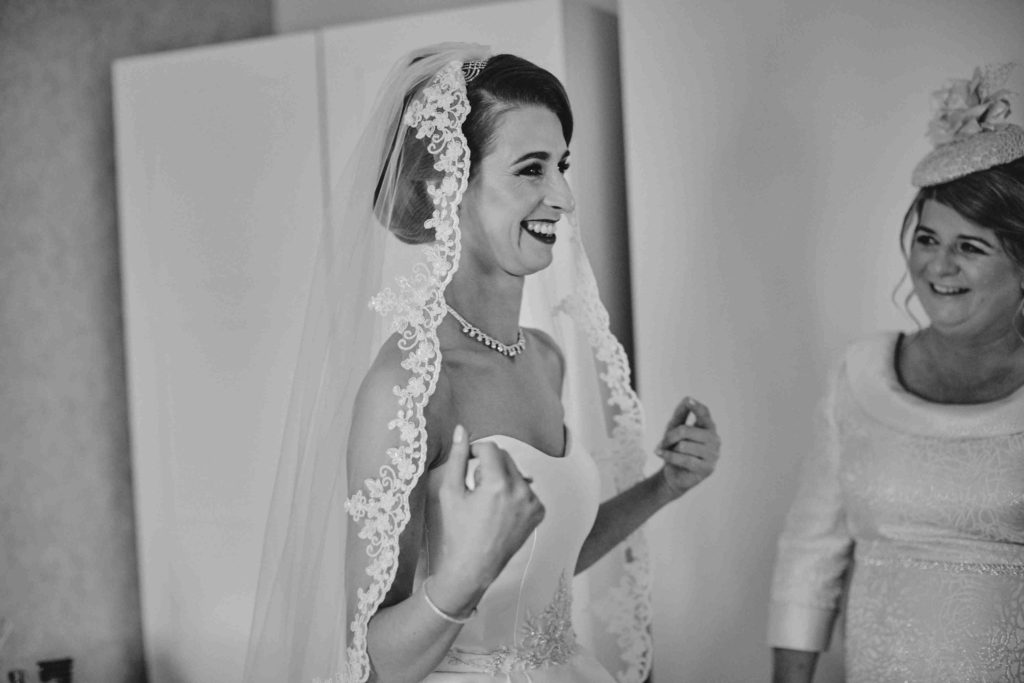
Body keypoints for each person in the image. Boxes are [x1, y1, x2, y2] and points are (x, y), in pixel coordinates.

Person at [244, 44, 720, 683]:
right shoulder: (409, 386)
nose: (564, 197)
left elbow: (544, 560)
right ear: (448, 185)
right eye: (531, 169)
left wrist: (666, 486)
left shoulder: (544, 358)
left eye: (562, 165)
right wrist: (465, 574)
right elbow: (373, 661)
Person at [768, 64, 1024, 683]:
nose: (938, 266)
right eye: (928, 238)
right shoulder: (860, 376)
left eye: (970, 246)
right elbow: (811, 552)